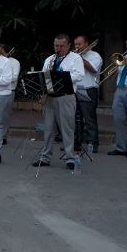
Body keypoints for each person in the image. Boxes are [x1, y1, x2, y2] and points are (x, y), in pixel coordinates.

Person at [33, 34, 85, 170]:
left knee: (67, 129)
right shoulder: (50, 59)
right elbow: (44, 75)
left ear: (68, 45)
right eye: (56, 45)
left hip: (65, 96)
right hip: (50, 96)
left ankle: (70, 158)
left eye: (62, 46)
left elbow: (79, 75)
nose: (59, 48)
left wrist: (61, 78)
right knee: (48, 129)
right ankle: (45, 157)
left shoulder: (75, 58)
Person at [73, 35, 103, 153]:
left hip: (90, 89)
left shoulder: (95, 56)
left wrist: (80, 58)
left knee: (89, 119)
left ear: (86, 44)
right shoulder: (74, 57)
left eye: (79, 44)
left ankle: (93, 143)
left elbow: (93, 69)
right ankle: (76, 143)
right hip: (76, 89)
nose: (77, 47)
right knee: (76, 118)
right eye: (75, 45)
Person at [0, 44, 19, 145]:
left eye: (1, 51)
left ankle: (3, 136)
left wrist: (1, 78)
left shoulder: (14, 62)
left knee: (5, 115)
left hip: (9, 90)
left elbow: (14, 77)